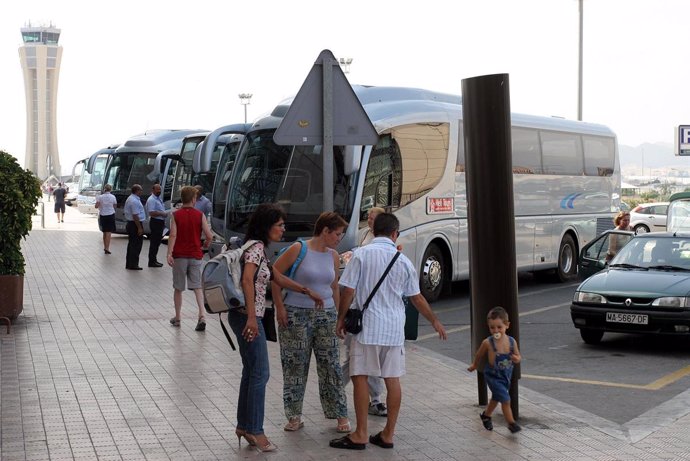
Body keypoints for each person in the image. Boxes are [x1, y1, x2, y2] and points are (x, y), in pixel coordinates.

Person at [331, 213, 447, 451]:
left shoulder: (361, 255)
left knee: (360, 376)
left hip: (367, 329)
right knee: (392, 380)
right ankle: (388, 434)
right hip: (394, 330)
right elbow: (416, 297)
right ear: (395, 234)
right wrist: (434, 320)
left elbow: (348, 291)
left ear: (374, 231)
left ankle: (361, 433)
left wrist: (341, 319)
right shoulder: (402, 261)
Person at [229, 203, 324, 453]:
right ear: (267, 225)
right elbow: (247, 279)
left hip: (245, 316)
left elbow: (276, 277)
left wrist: (306, 290)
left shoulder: (257, 249)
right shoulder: (256, 248)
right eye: (280, 225)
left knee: (251, 373)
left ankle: (244, 426)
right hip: (248, 317)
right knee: (260, 373)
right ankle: (256, 431)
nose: (283, 230)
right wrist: (252, 317)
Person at [271, 212, 350, 434]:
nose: (338, 239)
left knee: (331, 365)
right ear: (324, 231)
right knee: (295, 365)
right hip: (296, 315)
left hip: (325, 315)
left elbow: (334, 287)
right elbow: (274, 277)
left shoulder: (333, 255)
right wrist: (280, 307)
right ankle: (294, 415)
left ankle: (340, 414)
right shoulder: (299, 249)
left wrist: (337, 317)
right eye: (337, 234)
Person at [341, 206, 388, 417]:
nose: (369, 220)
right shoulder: (363, 235)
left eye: (373, 217)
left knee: (366, 361)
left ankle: (375, 399)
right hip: (359, 308)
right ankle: (335, 388)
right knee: (355, 360)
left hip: (371, 310)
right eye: (368, 216)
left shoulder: (387, 245)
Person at [467, 306, 522, 433]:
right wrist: (474, 365)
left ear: (507, 325)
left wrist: (516, 358)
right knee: (505, 399)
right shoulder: (488, 343)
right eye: (492, 327)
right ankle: (511, 423)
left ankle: (486, 415)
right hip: (493, 376)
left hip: (505, 376)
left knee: (497, 397)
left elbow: (519, 356)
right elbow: (479, 355)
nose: (496, 330)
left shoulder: (511, 342)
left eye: (499, 327)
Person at [166, 186, 213, 331]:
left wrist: (169, 253)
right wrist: (205, 244)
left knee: (178, 288)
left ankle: (178, 317)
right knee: (197, 286)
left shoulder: (176, 215)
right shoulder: (200, 215)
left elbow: (173, 235)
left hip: (179, 255)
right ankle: (202, 315)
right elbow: (209, 235)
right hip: (195, 255)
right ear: (193, 199)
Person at [124, 184, 146, 270]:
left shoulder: (132, 198)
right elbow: (135, 215)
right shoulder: (134, 201)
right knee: (136, 245)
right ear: (137, 191)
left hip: (132, 223)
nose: (141, 192)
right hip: (135, 224)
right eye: (140, 190)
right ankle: (133, 264)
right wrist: (139, 228)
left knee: (132, 244)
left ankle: (130, 263)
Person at [145, 183, 167, 267]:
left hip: (160, 222)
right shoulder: (152, 200)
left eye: (160, 189)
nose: (159, 191)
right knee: (154, 243)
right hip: (155, 222)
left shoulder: (158, 199)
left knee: (157, 242)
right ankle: (152, 262)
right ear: (153, 190)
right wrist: (162, 214)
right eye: (157, 189)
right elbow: (151, 212)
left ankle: (154, 260)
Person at [95, 184, 117, 254]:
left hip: (103, 215)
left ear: (104, 189)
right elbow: (115, 205)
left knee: (104, 232)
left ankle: (105, 247)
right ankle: (107, 248)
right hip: (110, 215)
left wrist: (101, 206)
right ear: (110, 189)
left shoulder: (100, 197)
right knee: (108, 232)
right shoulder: (113, 197)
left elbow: (96, 206)